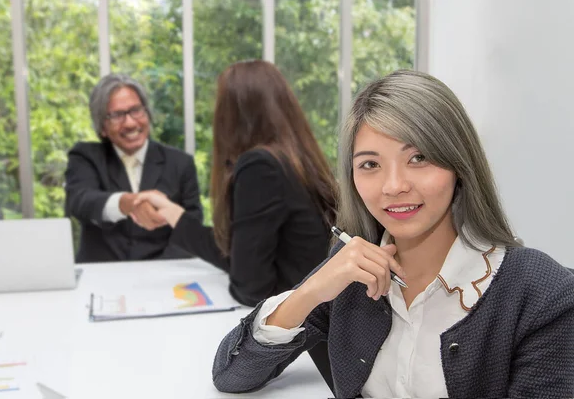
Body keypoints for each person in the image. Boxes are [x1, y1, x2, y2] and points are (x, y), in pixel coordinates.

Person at [210, 70, 574, 398]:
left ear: (458, 166)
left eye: (418, 158)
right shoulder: (352, 269)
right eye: (370, 164)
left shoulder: (543, 295)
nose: (394, 186)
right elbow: (232, 375)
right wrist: (311, 291)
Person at [133, 60, 337, 307]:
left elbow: (250, 287)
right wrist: (173, 214)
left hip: (297, 328)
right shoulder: (297, 160)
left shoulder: (259, 167)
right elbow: (243, 255)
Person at [65, 73, 202, 263]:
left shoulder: (180, 163)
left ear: (147, 113)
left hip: (163, 278)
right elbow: (80, 202)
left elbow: (191, 226)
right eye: (117, 115)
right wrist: (127, 203)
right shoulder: (85, 157)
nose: (130, 123)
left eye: (136, 110)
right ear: (102, 127)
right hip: (101, 278)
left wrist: (158, 272)